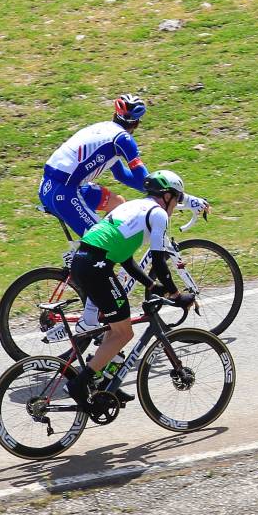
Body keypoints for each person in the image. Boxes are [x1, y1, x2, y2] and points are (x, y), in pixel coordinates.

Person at [40, 94, 208, 329]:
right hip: (65, 191)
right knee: (103, 244)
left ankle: (98, 275)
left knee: (118, 203)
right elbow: (145, 180)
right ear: (138, 122)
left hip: (55, 185)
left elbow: (122, 177)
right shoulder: (124, 140)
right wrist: (186, 199)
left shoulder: (105, 131)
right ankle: (93, 313)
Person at [66, 170, 195, 409]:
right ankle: (79, 384)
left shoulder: (136, 207)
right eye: (176, 199)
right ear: (166, 196)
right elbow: (158, 260)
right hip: (97, 266)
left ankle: (103, 383)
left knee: (116, 328)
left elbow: (126, 259)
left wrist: (152, 285)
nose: (176, 206)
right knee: (124, 333)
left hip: (84, 261)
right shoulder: (158, 215)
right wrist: (176, 295)